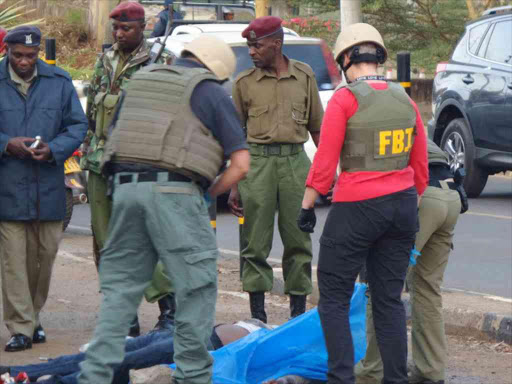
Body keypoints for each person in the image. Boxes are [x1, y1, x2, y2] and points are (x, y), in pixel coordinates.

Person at [76, 35, 250, 384]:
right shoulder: (209, 90)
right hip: (174, 191)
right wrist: (208, 192)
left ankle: (95, 376)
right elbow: (241, 165)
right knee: (195, 287)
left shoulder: (140, 81)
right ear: (214, 69)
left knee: (121, 291)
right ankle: (191, 377)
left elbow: (113, 136)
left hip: (122, 190)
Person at [298, 23, 428, 384]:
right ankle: (396, 380)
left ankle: (341, 378)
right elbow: (420, 167)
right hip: (402, 207)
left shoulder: (344, 98)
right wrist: (406, 203)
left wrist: (307, 205)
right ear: (380, 57)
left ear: (345, 60)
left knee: (334, 297)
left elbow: (325, 163)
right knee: (387, 300)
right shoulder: (406, 99)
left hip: (357, 207)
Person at [79, 1, 176, 336]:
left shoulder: (160, 62)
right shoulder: (105, 61)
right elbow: (93, 111)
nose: (119, 34)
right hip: (98, 162)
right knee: (105, 242)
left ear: (143, 28)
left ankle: (168, 309)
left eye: (126, 29)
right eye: (116, 29)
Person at [229, 16, 324, 323]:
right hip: (257, 164)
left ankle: (297, 318)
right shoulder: (244, 84)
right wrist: (235, 183)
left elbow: (318, 129)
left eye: (257, 46)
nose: (251, 52)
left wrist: (326, 174)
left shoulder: (304, 76)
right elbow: (235, 137)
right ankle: (257, 319)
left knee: (299, 241)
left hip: (296, 163)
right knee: (254, 243)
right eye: (249, 46)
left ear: (276, 44)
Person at [0, 26, 87, 352]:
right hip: (7, 186)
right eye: (17, 55)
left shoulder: (59, 82)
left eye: (30, 55)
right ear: (7, 50)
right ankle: (20, 327)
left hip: (48, 187)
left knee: (43, 259)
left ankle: (33, 317)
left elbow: (77, 125)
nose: (24, 61)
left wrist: (53, 149)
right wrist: (7, 144)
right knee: (13, 262)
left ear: (38, 52)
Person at [355, 140, 467, 384]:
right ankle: (431, 371)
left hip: (422, 198)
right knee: (427, 288)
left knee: (382, 288)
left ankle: (371, 371)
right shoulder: (408, 116)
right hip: (450, 196)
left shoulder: (373, 123)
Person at [0, 320, 269, 384]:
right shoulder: (280, 338)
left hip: (197, 339)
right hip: (190, 336)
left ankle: (24, 376)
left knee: (114, 362)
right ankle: (16, 373)